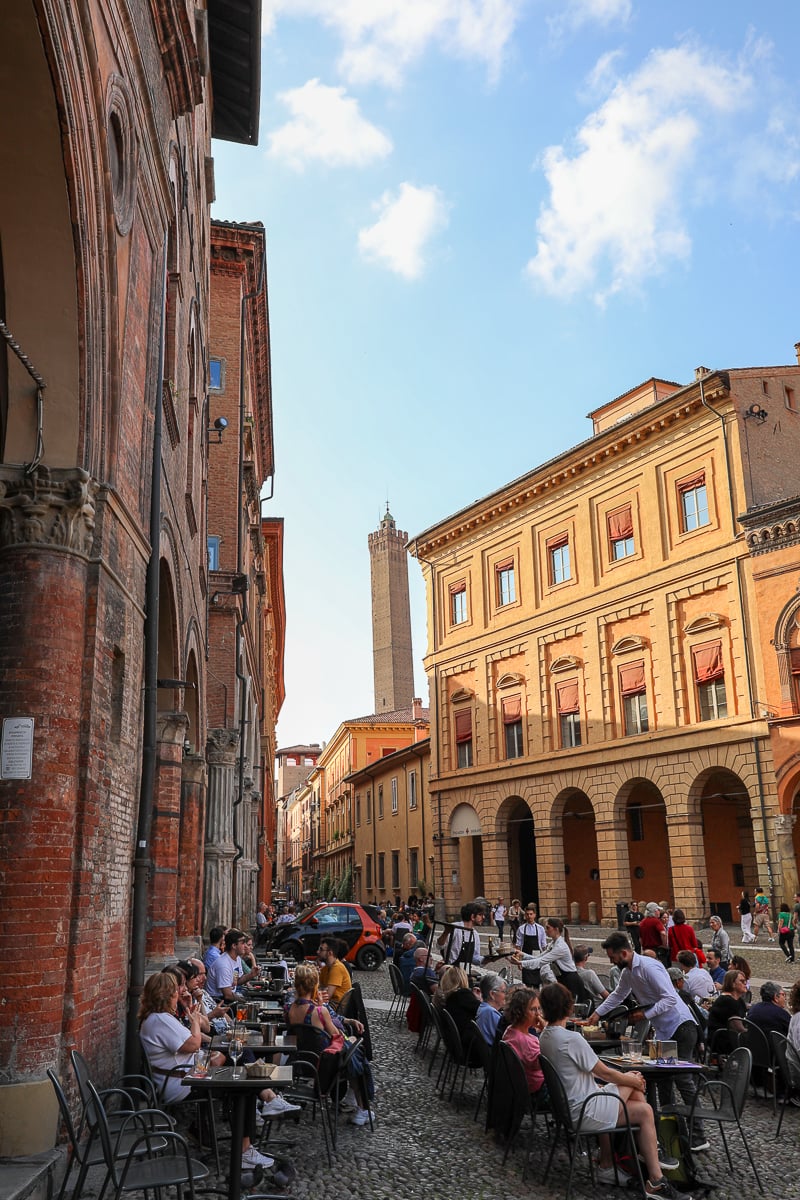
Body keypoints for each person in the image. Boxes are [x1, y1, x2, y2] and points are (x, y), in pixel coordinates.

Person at [539, 983, 690, 1199]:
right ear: (569, 1008)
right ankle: (651, 1164)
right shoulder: (571, 1039)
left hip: (572, 1107)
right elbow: (606, 1073)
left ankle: (616, 1164)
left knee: (644, 1110)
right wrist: (633, 1080)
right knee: (634, 1080)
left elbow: (590, 1073)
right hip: (585, 1109)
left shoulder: (546, 1036)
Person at [139, 971, 275, 1172]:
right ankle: (246, 1147)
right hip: (182, 1084)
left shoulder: (158, 1018)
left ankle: (264, 1104)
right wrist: (194, 1020)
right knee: (242, 1087)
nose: (179, 994)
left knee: (241, 1073)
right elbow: (193, 1043)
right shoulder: (161, 1020)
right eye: (176, 992)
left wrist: (190, 1012)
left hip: (185, 1077)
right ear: (168, 995)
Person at [593, 932, 707, 1152]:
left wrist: (644, 1015)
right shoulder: (627, 972)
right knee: (662, 1081)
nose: (611, 961)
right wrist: (597, 1014)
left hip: (681, 1026)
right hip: (664, 1030)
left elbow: (671, 998)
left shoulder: (649, 967)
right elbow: (618, 995)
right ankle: (668, 1131)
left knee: (684, 1081)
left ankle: (699, 1136)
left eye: (612, 957)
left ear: (624, 953)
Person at [287, 962, 374, 1127]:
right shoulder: (320, 1011)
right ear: (315, 985)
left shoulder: (289, 1009)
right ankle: (362, 1107)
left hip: (302, 1062)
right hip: (325, 1064)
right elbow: (337, 1036)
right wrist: (352, 1039)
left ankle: (355, 1102)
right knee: (355, 1051)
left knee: (353, 1054)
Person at [501, 987, 547, 1097]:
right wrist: (546, 1031)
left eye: (539, 1009)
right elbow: (546, 1065)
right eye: (533, 1009)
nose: (538, 1014)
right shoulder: (524, 1041)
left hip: (525, 1086)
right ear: (520, 1013)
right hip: (538, 1090)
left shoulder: (511, 1030)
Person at [514, 917, 577, 986]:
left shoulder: (560, 947)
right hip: (562, 978)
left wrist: (520, 963)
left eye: (548, 928)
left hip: (570, 980)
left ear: (556, 929)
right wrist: (522, 954)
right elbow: (538, 957)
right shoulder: (553, 943)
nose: (545, 930)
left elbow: (540, 961)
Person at [207, 928, 258, 1002]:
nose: (245, 946)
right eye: (243, 943)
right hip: (218, 1001)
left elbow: (236, 981)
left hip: (231, 996)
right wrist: (246, 1002)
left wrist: (251, 975)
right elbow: (227, 995)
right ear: (234, 946)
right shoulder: (223, 964)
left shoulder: (237, 959)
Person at [706, 969, 748, 1056]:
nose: (745, 983)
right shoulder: (726, 1001)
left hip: (732, 1038)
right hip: (723, 1041)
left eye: (745, 981)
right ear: (732, 984)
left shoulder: (739, 1000)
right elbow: (737, 1027)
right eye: (742, 981)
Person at [317, 938, 351, 1007]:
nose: (317, 952)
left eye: (321, 949)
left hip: (335, 1006)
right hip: (330, 1003)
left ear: (330, 953)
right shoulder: (326, 968)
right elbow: (318, 987)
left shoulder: (337, 967)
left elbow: (327, 995)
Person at [476, 972, 508, 1045]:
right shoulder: (490, 1012)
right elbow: (507, 1039)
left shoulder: (484, 1007)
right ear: (492, 994)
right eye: (504, 992)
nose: (506, 995)